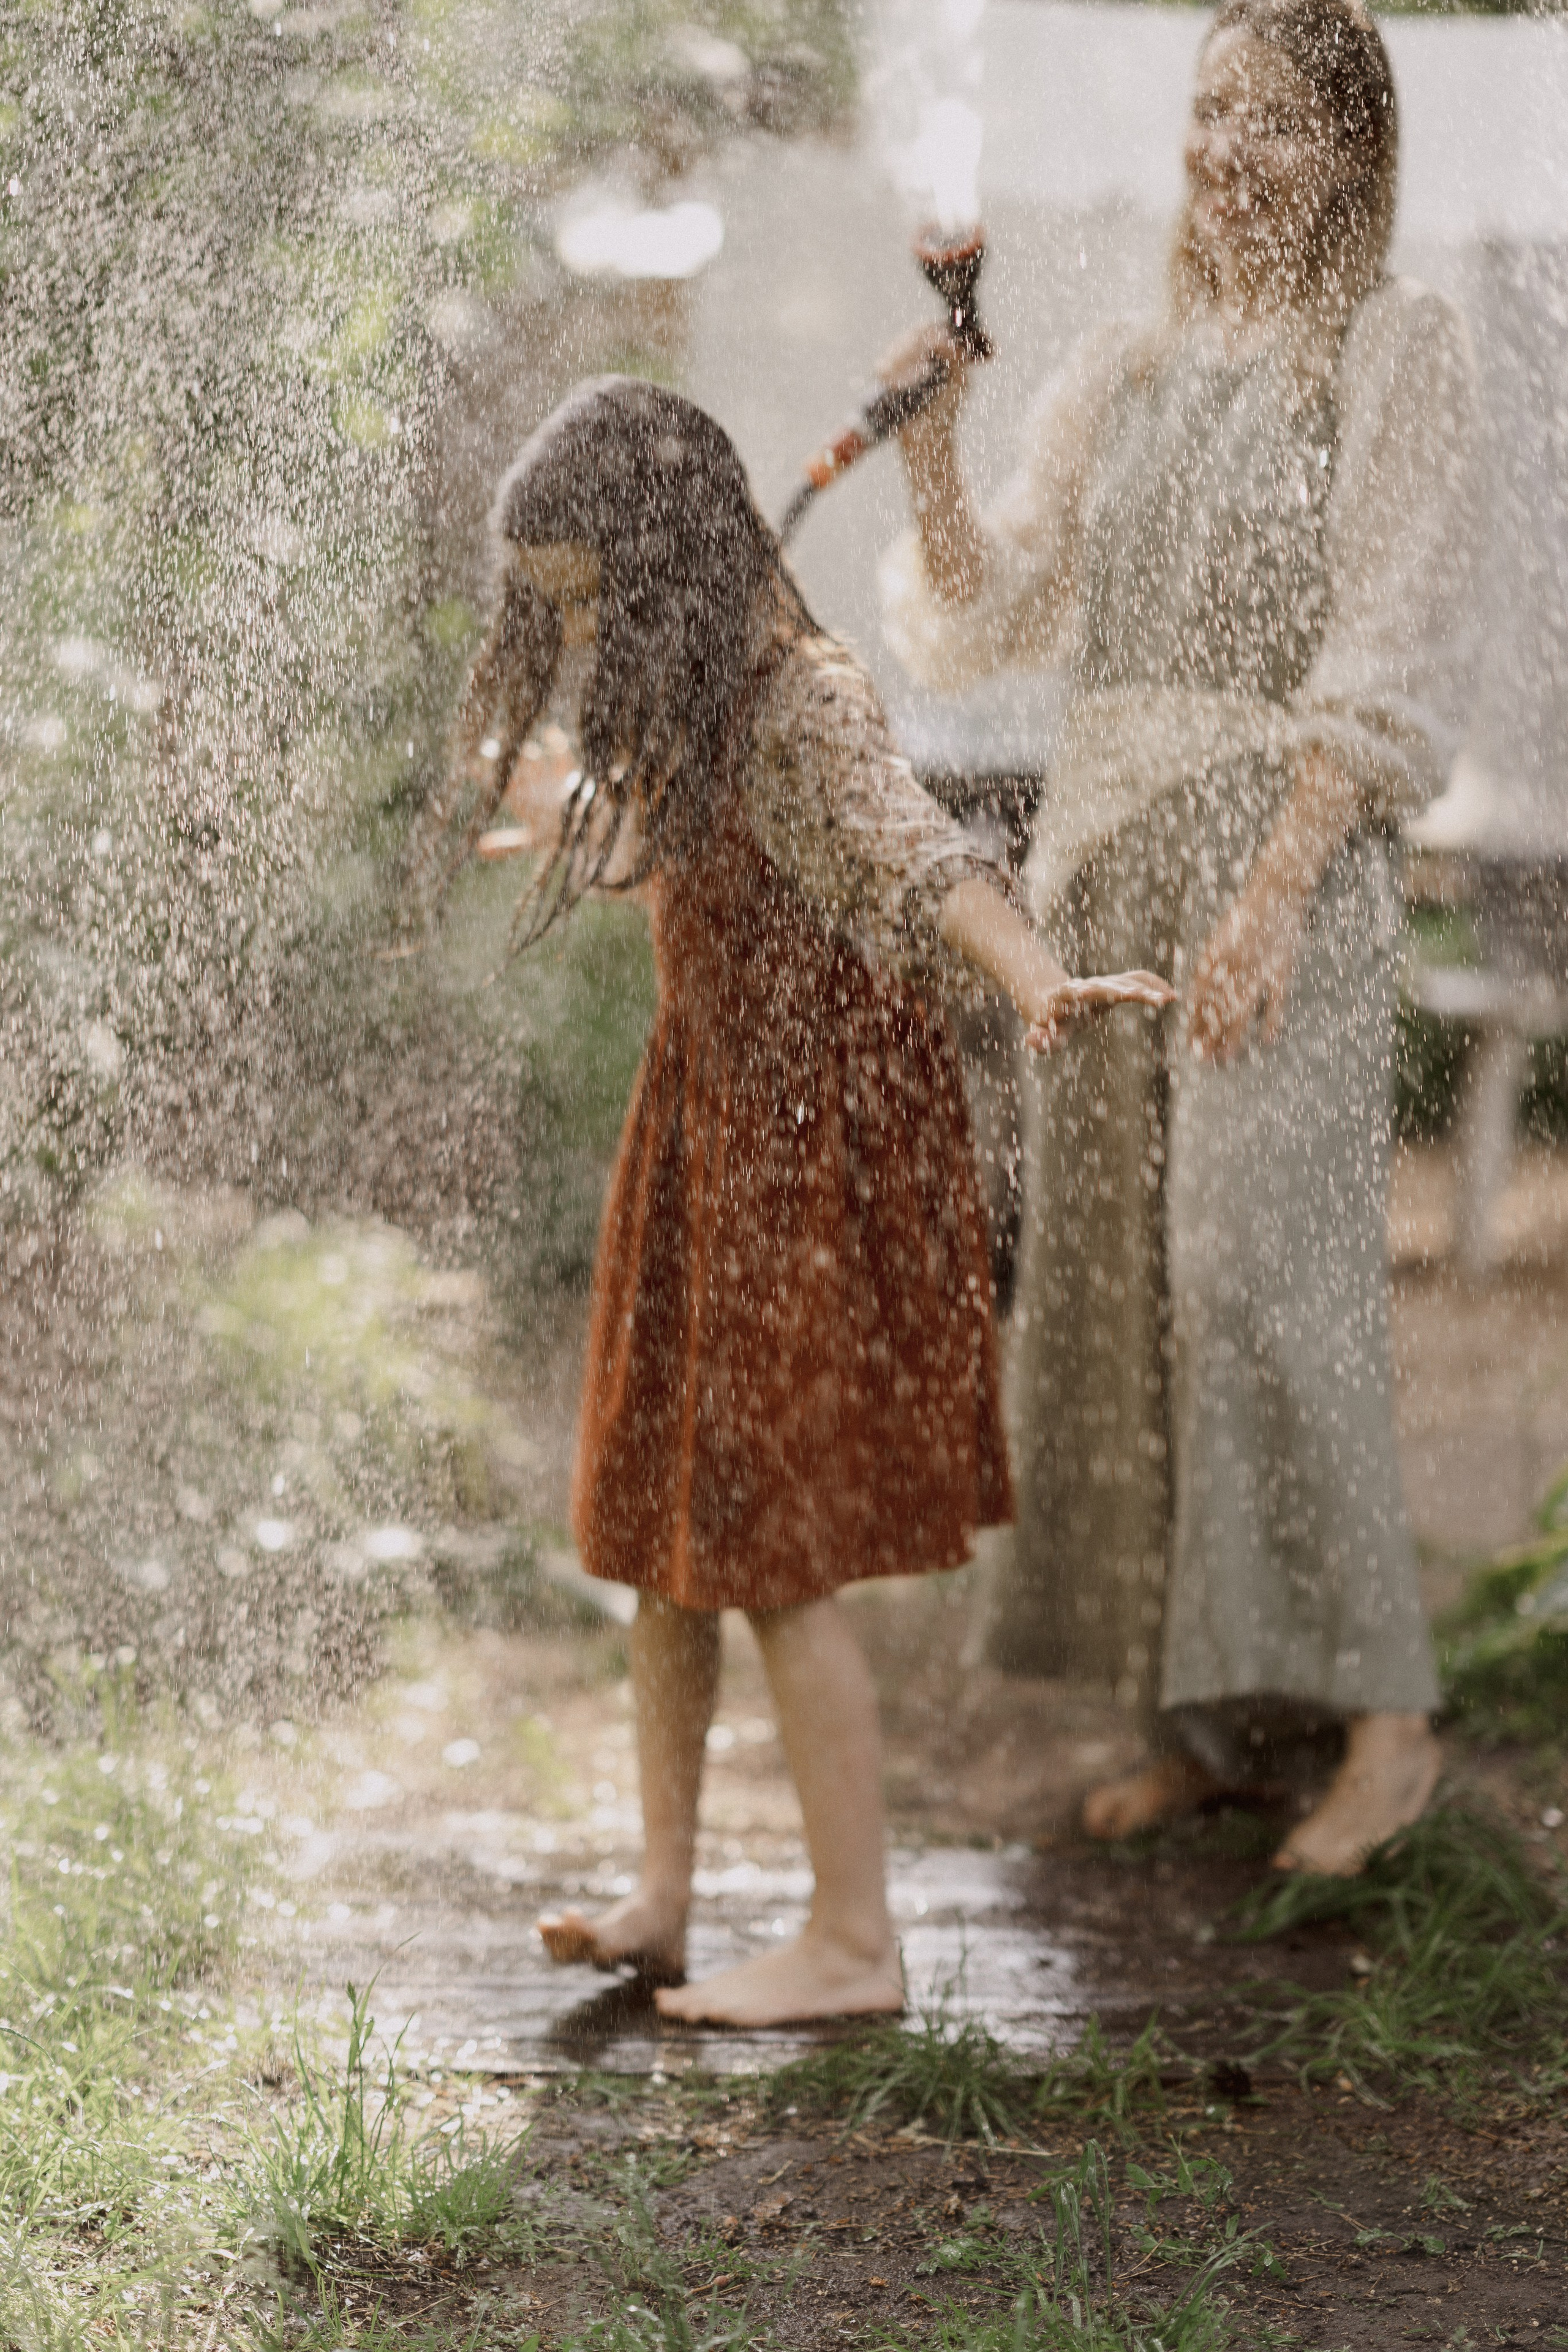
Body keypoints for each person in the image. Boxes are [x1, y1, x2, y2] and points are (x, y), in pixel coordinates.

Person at [412, 378, 1171, 2027]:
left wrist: (1032, 977)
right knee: (665, 1542)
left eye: (592, 599)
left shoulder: (803, 700)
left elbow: (916, 854)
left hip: (798, 1153)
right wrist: (577, 822)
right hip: (706, 1133)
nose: (585, 632)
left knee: (770, 1550)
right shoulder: (701, 697)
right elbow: (693, 849)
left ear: (668, 566)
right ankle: (666, 1897)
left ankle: (852, 1940)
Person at [878, 0, 1480, 1874]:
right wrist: (931, 448)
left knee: (1255, 1286)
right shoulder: (1128, 368)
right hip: (1107, 864)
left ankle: (1389, 1725)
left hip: (1270, 871)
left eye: (1271, 121)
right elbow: (983, 621)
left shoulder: (1396, 351)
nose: (1225, 152)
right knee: (1121, 1313)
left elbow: (1386, 649)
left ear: (1350, 153)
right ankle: (1212, 1723)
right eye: (1207, 114)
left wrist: (1277, 895)